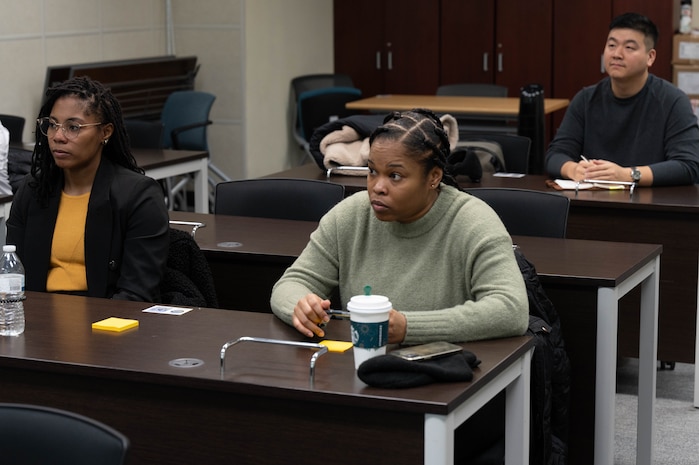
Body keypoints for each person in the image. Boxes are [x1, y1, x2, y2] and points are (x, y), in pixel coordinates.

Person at [270, 108, 528, 345]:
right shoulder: (349, 215)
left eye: (395, 176)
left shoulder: (473, 221)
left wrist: (408, 328)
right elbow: (291, 283)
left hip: (449, 374)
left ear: (434, 177)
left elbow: (510, 310)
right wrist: (300, 306)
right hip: (362, 368)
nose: (377, 187)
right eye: (372, 171)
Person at [6, 76, 169, 301]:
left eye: (73, 127)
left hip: (107, 323)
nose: (58, 137)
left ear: (105, 132)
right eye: (52, 124)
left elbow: (137, 292)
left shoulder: (139, 196)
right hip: (38, 320)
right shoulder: (33, 189)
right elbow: (13, 274)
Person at [545, 12, 699, 186]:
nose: (617, 54)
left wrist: (627, 175)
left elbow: (688, 166)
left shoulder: (673, 101)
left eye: (629, 48)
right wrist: (573, 169)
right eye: (611, 45)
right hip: (594, 202)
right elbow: (555, 155)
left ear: (650, 57)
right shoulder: (585, 99)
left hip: (651, 206)